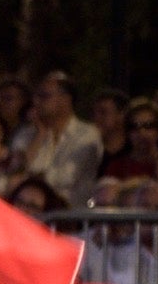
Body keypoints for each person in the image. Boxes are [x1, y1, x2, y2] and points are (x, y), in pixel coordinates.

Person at [7, 71, 102, 206]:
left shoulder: (87, 134)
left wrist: (33, 179)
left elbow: (68, 176)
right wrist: (39, 136)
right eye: (35, 96)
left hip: (70, 214)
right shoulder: (25, 134)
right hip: (31, 213)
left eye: (44, 96)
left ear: (66, 100)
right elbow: (14, 173)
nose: (35, 102)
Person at [99, 97, 158, 186]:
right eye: (134, 126)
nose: (141, 132)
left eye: (148, 125)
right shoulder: (116, 168)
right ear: (127, 132)